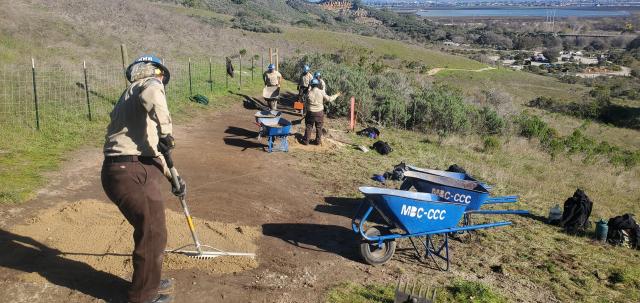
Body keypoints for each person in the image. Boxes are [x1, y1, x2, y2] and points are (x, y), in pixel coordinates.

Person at [101, 54, 186, 303]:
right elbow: (154, 94)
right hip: (128, 170)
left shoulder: (133, 107)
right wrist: (168, 131)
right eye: (161, 77)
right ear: (155, 72)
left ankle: (150, 281)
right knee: (151, 231)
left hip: (134, 168)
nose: (161, 83)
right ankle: (142, 297)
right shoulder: (148, 85)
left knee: (154, 230)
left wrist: (175, 179)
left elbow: (156, 152)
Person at [303, 78, 341, 145]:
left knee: (309, 126)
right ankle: (317, 142)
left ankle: (306, 141)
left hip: (310, 112)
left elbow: (305, 104)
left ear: (311, 85)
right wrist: (337, 95)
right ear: (318, 85)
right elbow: (329, 99)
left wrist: (306, 112)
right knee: (319, 127)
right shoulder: (321, 92)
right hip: (319, 113)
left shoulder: (308, 93)